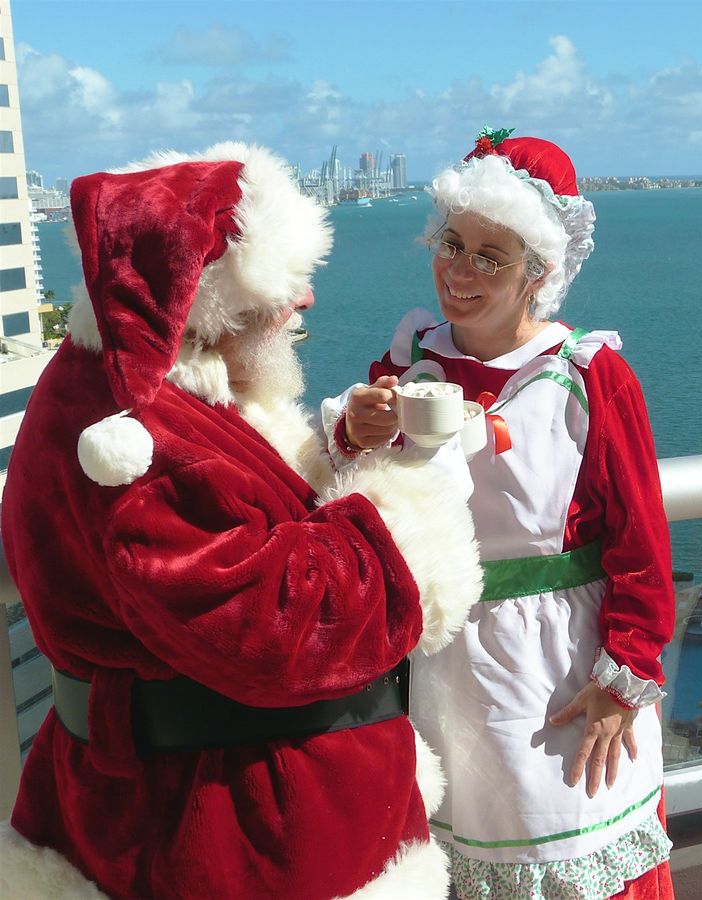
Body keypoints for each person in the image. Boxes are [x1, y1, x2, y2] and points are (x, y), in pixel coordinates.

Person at [0, 144, 482, 899]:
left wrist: (339, 450)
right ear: (206, 297)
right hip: (227, 839)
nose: (307, 302)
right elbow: (281, 627)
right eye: (291, 284)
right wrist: (410, 506)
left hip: (180, 813)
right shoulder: (133, 445)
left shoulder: (133, 392)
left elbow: (239, 502)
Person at [323, 128, 675, 899]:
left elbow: (641, 546)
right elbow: (358, 492)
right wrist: (357, 428)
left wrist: (624, 681)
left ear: (538, 273)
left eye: (492, 256)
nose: (460, 270)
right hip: (439, 667)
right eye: (452, 244)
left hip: (554, 670)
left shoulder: (590, 376)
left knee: (558, 856)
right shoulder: (411, 356)